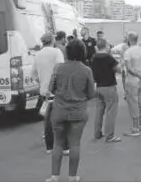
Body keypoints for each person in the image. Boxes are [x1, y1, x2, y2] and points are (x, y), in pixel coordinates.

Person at [46, 39, 96, 182]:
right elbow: (91, 94)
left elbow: (51, 88)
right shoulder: (86, 70)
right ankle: (72, 177)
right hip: (78, 111)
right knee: (75, 144)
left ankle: (54, 176)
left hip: (59, 110)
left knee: (58, 143)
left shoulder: (58, 68)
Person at [31, 33, 68, 155]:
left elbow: (33, 74)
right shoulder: (56, 52)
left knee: (48, 121)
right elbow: (61, 69)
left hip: (44, 91)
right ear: (52, 40)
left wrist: (42, 82)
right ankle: (64, 147)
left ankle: (49, 146)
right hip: (57, 90)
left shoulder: (38, 55)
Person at [91, 38, 122, 143]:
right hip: (109, 86)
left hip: (98, 86)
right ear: (106, 45)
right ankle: (109, 136)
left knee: (99, 109)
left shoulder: (93, 58)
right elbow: (119, 69)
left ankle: (97, 133)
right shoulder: (108, 57)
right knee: (111, 110)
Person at [124, 31, 141, 136]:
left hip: (132, 80)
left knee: (133, 103)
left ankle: (135, 129)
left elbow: (128, 68)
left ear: (129, 39)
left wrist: (138, 75)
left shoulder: (128, 52)